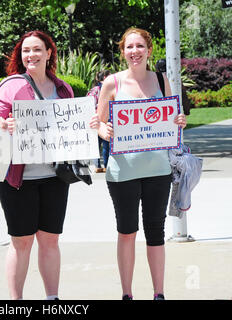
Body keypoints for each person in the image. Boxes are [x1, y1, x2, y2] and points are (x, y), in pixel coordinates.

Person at [0, 30, 99, 300]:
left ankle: (52, 298)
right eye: (26, 50)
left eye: (37, 50)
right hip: (18, 179)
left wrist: (89, 125)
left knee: (50, 240)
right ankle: (16, 302)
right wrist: (4, 125)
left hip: (54, 178)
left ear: (49, 53)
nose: (31, 55)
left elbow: (73, 127)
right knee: (21, 241)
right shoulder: (10, 86)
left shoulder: (63, 89)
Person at [97, 27, 187, 300]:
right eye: (129, 47)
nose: (134, 51)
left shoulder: (162, 81)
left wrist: (179, 121)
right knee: (127, 232)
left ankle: (159, 293)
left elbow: (174, 117)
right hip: (122, 171)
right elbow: (99, 123)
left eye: (139, 46)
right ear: (122, 51)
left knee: (156, 232)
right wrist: (105, 131)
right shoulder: (112, 83)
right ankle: (127, 294)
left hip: (158, 170)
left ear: (148, 50)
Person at [87, 70, 110, 172]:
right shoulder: (101, 89)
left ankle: (98, 166)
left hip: (97, 119)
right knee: (105, 144)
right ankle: (104, 165)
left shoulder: (94, 90)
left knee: (99, 144)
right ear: (105, 77)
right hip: (101, 120)